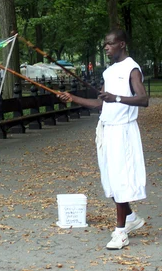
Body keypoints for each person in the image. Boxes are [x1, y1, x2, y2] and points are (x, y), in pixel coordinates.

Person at [58, 29, 148, 250]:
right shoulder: (108, 72)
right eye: (105, 44)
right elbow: (100, 103)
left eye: (110, 44)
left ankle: (121, 232)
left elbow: (143, 99)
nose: (106, 48)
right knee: (110, 180)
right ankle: (132, 218)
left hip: (123, 131)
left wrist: (116, 98)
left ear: (122, 44)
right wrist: (72, 98)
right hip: (107, 129)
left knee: (119, 181)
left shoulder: (132, 69)